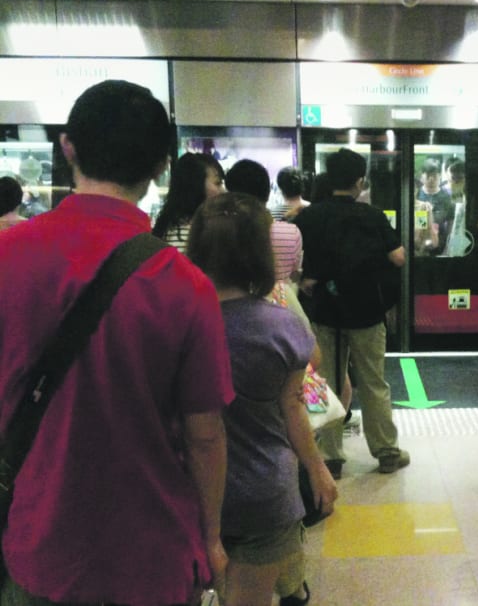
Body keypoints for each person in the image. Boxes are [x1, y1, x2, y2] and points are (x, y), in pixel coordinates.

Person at [0, 79, 233, 604]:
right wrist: (213, 537)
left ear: (68, 147)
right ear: (161, 167)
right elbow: (205, 435)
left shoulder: (7, 256)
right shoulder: (187, 285)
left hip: (39, 548)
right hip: (153, 554)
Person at [187, 192, 337, 606]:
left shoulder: (178, 321)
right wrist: (317, 470)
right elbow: (293, 407)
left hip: (188, 487)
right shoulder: (282, 326)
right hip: (264, 489)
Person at [293, 148, 407, 479]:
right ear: (359, 181)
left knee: (324, 382)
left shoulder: (310, 217)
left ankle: (330, 457)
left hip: (324, 312)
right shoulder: (371, 216)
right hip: (367, 312)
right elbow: (398, 257)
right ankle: (386, 451)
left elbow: (297, 262)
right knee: (373, 382)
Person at [226, 158, 303, 285]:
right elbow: (294, 274)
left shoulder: (221, 231)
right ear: (267, 193)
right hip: (280, 296)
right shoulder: (291, 232)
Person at [152, 151, 225, 253]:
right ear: (196, 186)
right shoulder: (187, 235)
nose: (223, 191)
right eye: (218, 183)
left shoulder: (173, 226)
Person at [415, 158, 455, 255]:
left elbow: (450, 223)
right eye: (428, 175)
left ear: (440, 176)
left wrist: (448, 246)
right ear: (422, 175)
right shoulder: (416, 194)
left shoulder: (447, 198)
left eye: (434, 175)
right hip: (417, 245)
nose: (431, 178)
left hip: (439, 245)